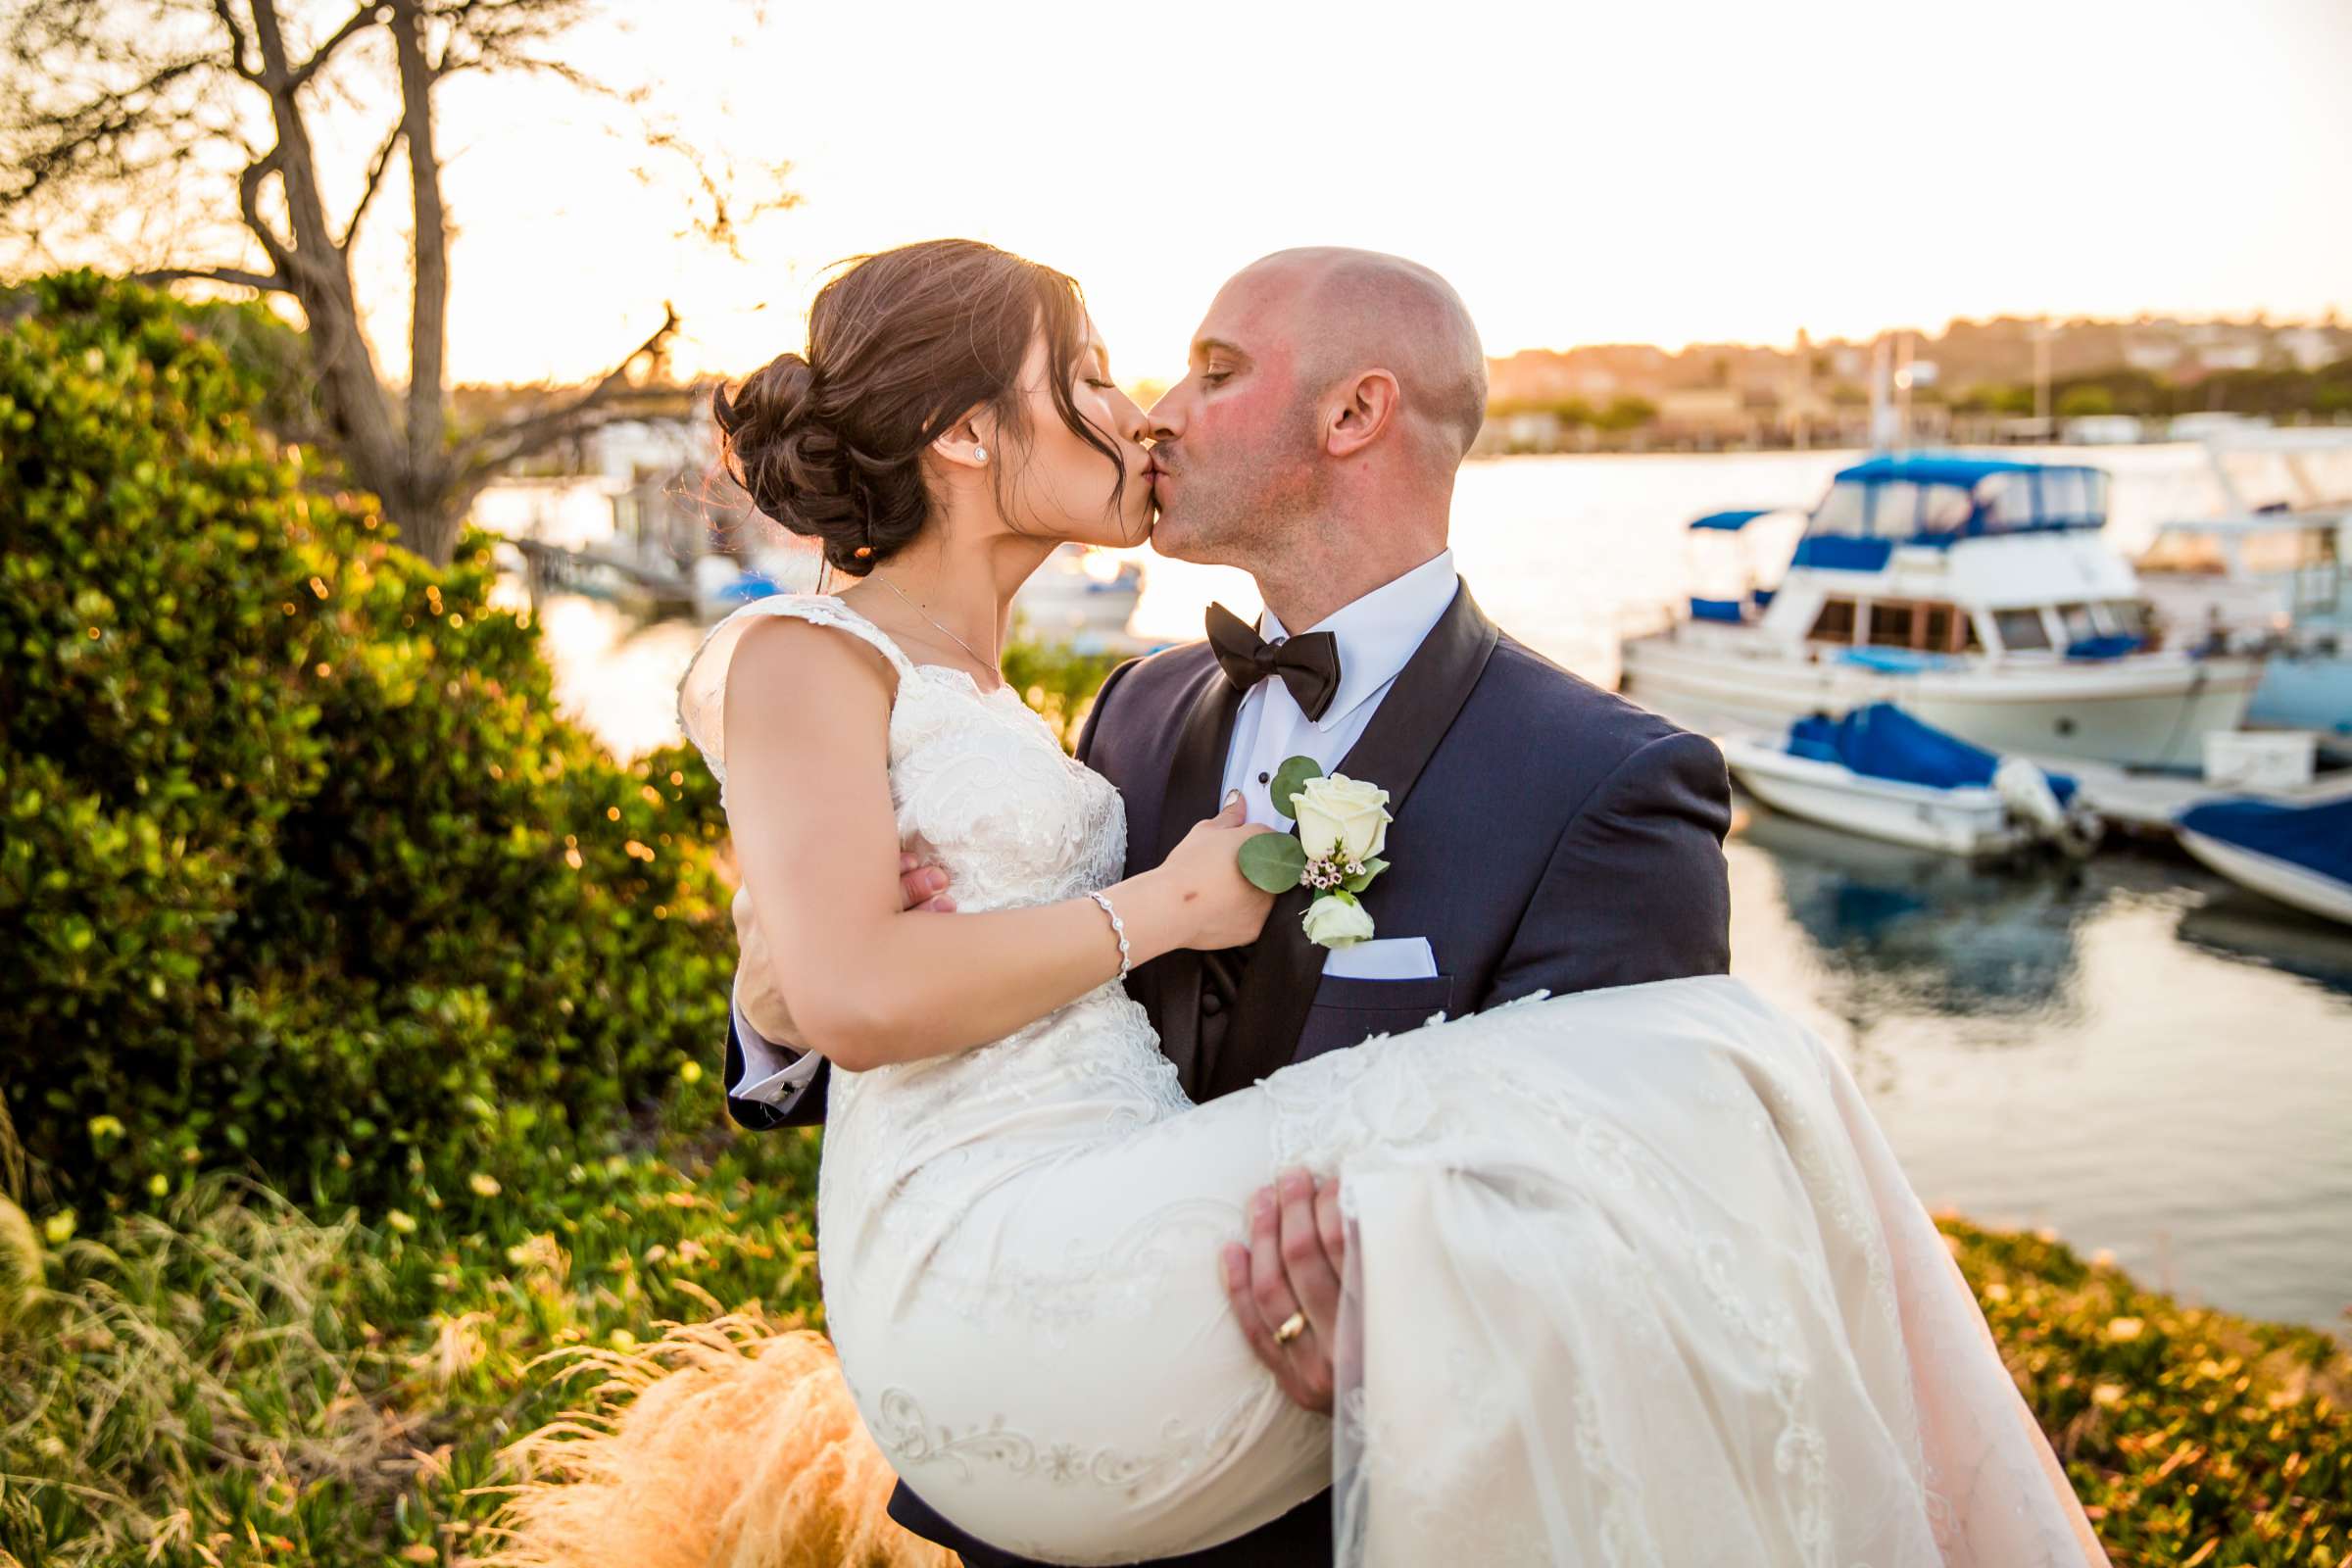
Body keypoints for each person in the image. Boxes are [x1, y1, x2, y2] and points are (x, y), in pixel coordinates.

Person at [506, 239, 2110, 1567]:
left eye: (1209, 372)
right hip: (1049, 1424)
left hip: (1353, 1502)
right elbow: (940, 960)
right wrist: (781, 983)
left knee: (1695, 1083)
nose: (1151, 415)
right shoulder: (1131, 712)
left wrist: (1408, 1340)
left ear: (1355, 414)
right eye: (1125, 376)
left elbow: (1632, 1249)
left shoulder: (1609, 779)